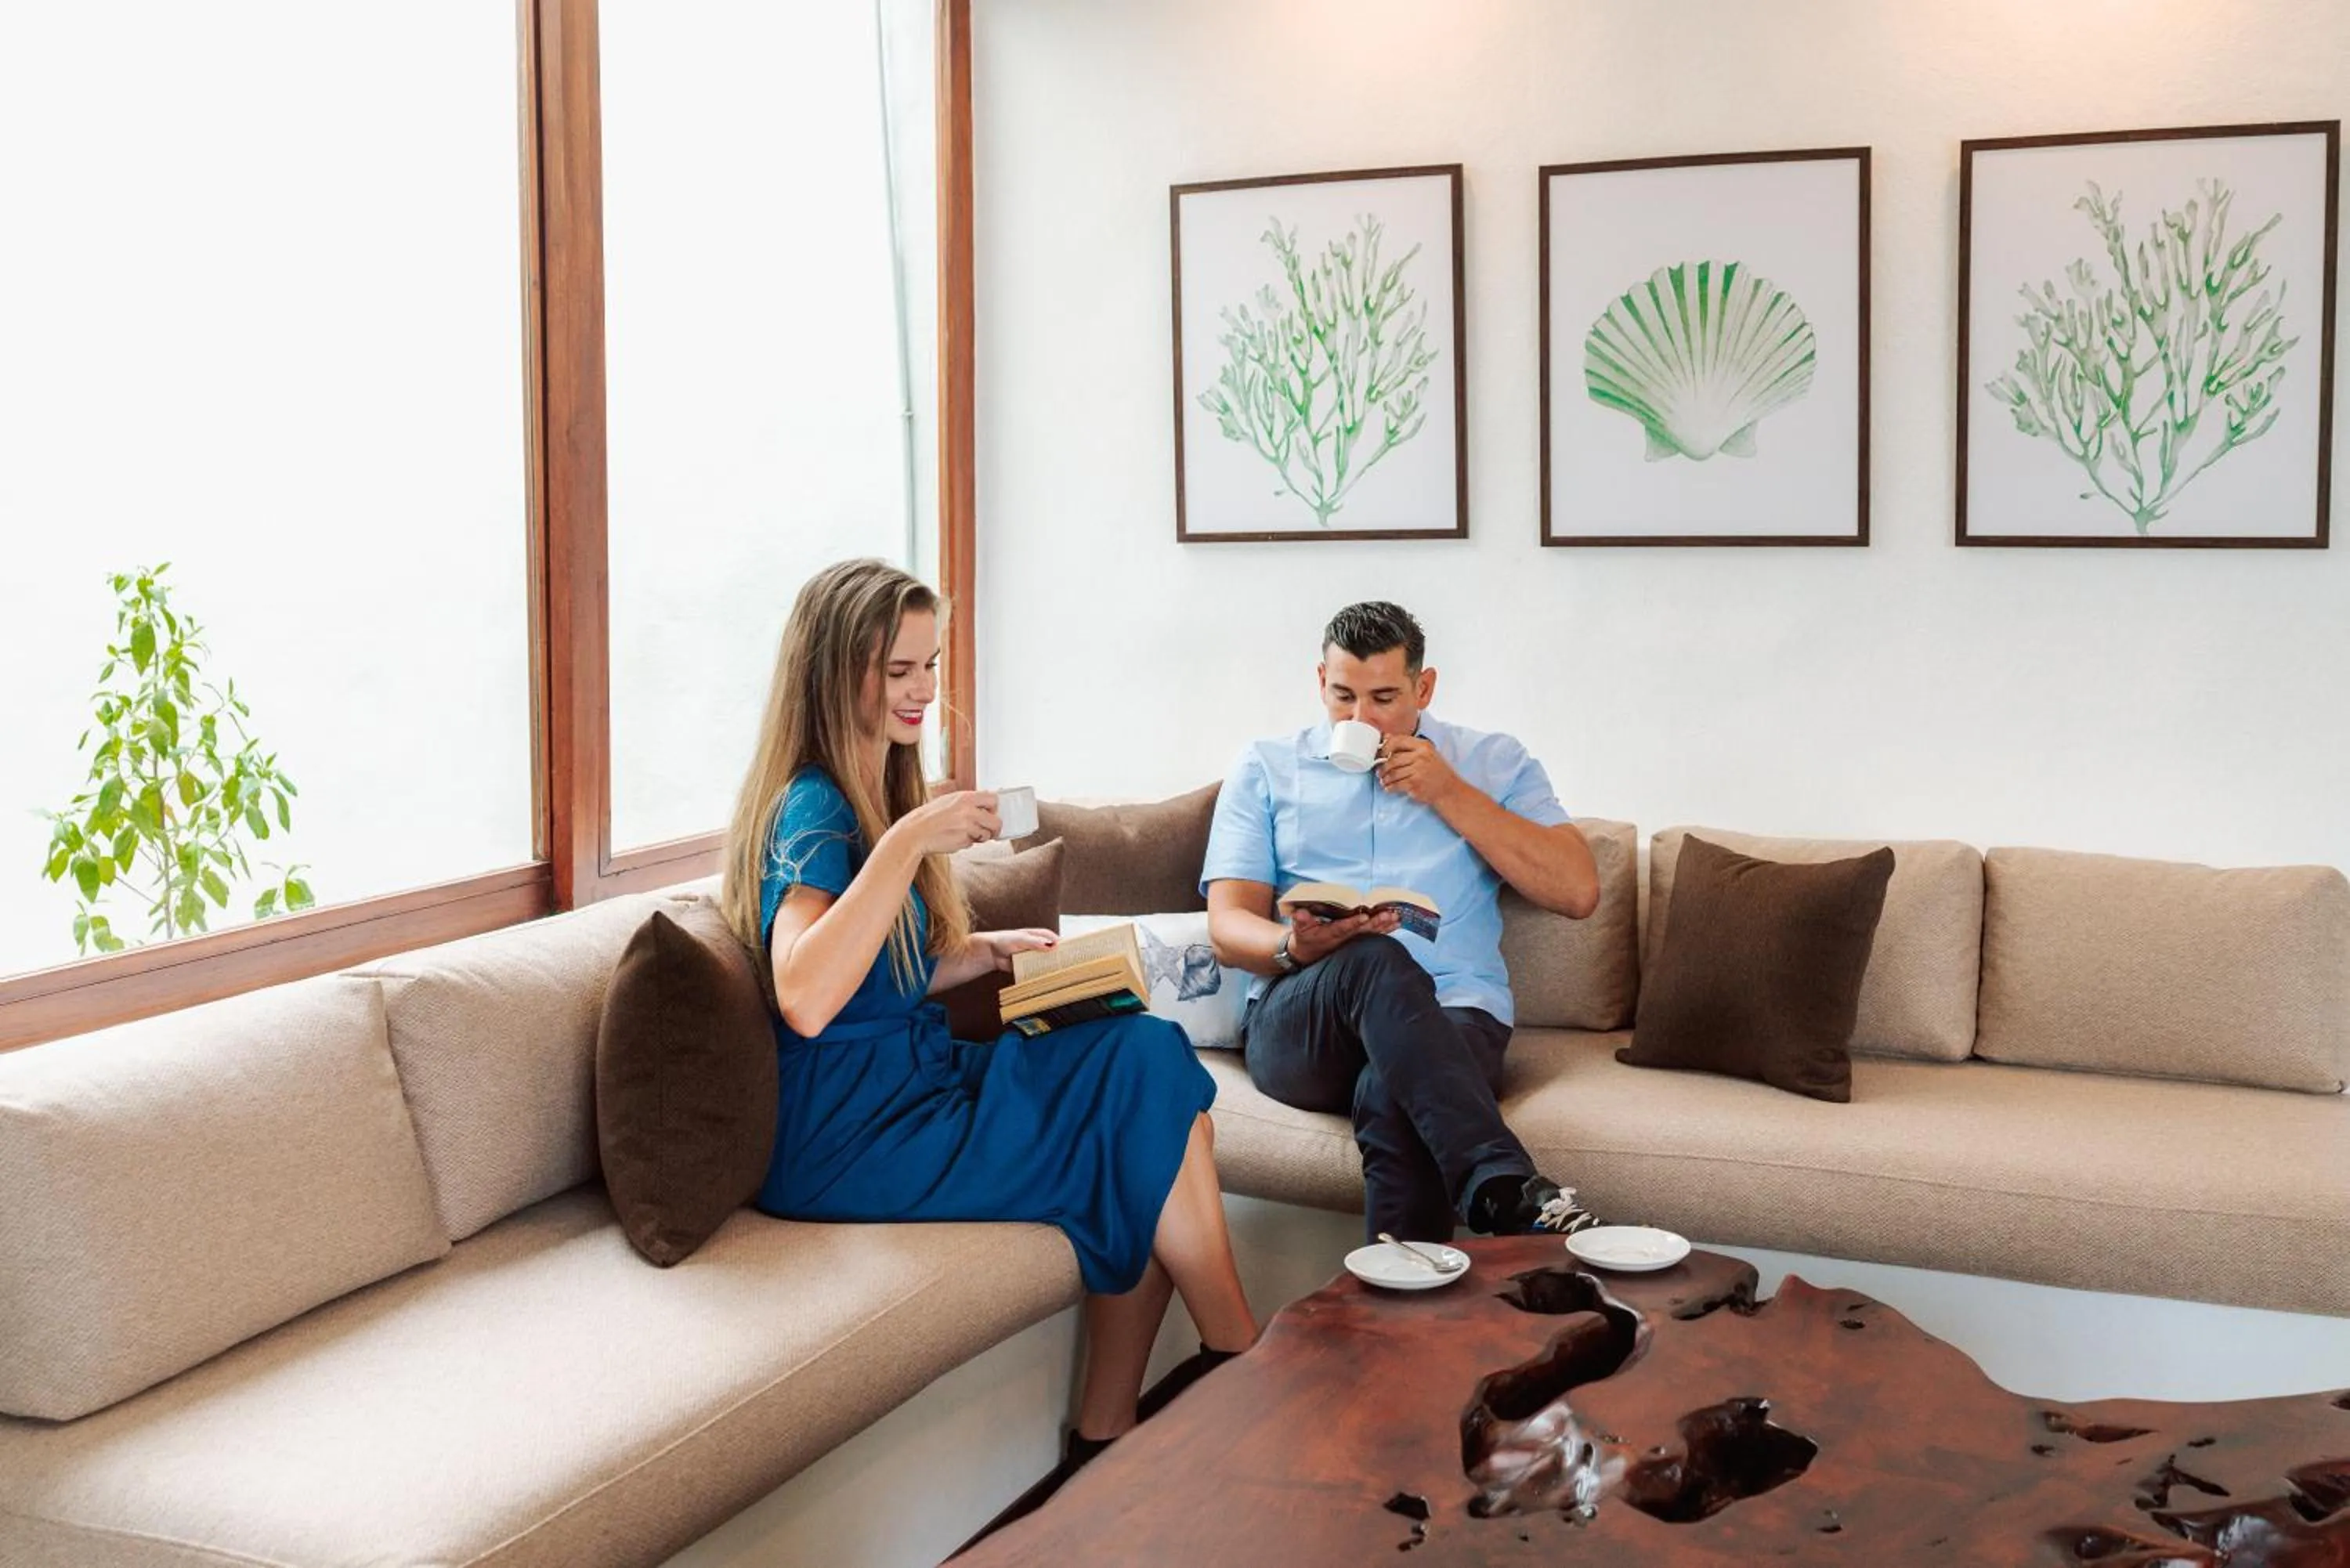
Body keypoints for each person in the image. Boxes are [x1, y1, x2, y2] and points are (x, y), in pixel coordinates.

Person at [719, 558, 1258, 1475]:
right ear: (832, 671)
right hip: (851, 1132)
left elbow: (871, 978)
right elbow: (806, 996)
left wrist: (981, 955)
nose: (924, 691)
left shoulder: (871, 785)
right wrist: (905, 842)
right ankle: (1242, 1366)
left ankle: (1114, 1428)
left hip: (909, 1083)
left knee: (1143, 1065)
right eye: (900, 671)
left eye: (931, 666)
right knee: (1144, 1089)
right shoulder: (812, 806)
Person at [1202, 601, 1607, 1244]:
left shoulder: (1492, 762)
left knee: (1392, 1093)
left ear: (1425, 687)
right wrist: (1295, 946)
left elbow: (1578, 890)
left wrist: (1449, 792)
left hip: (1454, 1015)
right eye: (1343, 698)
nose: (1361, 720)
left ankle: (1400, 1327)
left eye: (1385, 698)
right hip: (1304, 1022)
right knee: (1372, 957)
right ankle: (1501, 1183)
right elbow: (1227, 926)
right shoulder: (1265, 768)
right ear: (1320, 683)